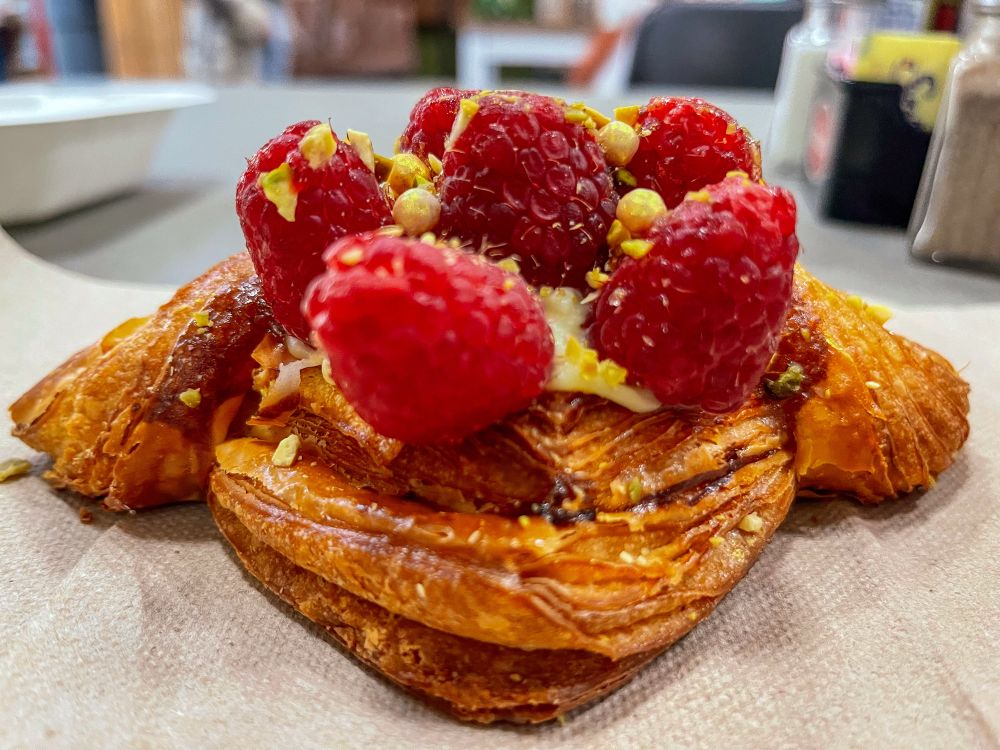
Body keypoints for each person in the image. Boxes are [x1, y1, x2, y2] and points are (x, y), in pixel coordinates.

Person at [568, 0, 659, 92]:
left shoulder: (620, 3)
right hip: (639, 89)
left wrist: (575, 84)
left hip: (611, 90)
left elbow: (604, 42)